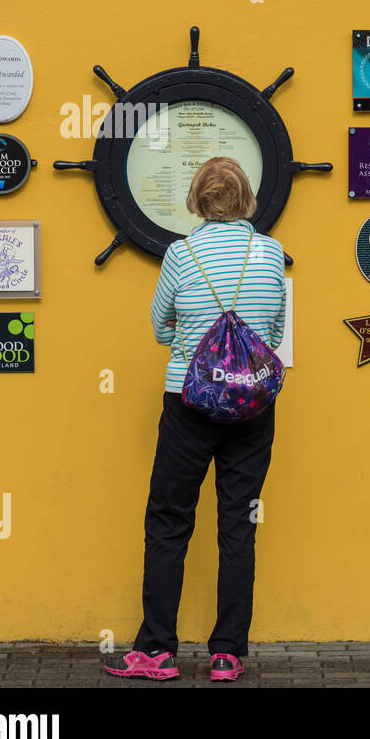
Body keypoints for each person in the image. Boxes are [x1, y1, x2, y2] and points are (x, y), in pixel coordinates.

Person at [105, 156, 287, 682]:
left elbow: (162, 329)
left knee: (168, 519)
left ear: (197, 200)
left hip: (188, 403)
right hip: (252, 407)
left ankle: (157, 650)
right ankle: (227, 653)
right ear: (247, 197)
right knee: (238, 524)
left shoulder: (181, 255)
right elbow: (273, 335)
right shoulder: (271, 253)